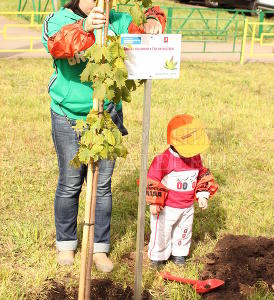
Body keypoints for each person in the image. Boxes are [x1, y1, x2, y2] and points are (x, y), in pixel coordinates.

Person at [41, 0, 166, 272]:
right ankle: (66, 244)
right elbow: (56, 45)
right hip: (68, 115)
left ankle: (100, 249)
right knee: (70, 183)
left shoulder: (118, 21)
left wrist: (154, 20)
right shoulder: (57, 19)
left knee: (102, 186)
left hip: (107, 116)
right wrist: (85, 27)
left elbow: (145, 16)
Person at [145, 114, 219, 266]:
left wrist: (202, 195)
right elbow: (153, 179)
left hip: (187, 207)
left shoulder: (195, 158)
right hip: (167, 207)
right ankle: (158, 256)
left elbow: (201, 176)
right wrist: (154, 202)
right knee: (162, 231)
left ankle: (179, 254)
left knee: (184, 231)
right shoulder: (164, 160)